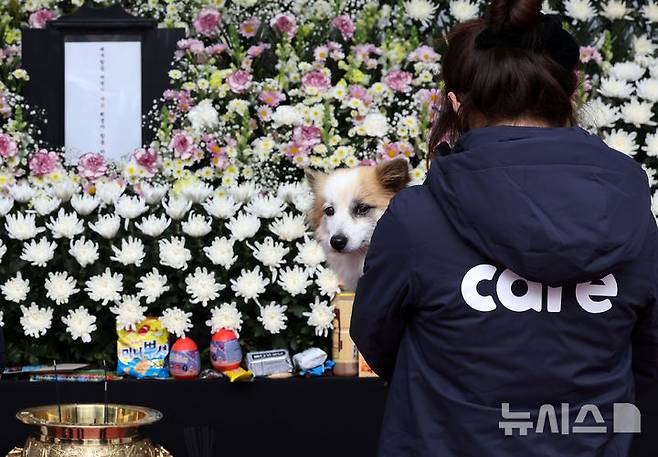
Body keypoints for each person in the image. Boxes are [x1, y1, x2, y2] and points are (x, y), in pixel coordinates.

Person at [350, 0, 657, 456]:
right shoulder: (631, 212)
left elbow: (375, 339)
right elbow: (648, 353)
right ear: (573, 92)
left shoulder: (418, 219)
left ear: (454, 103)